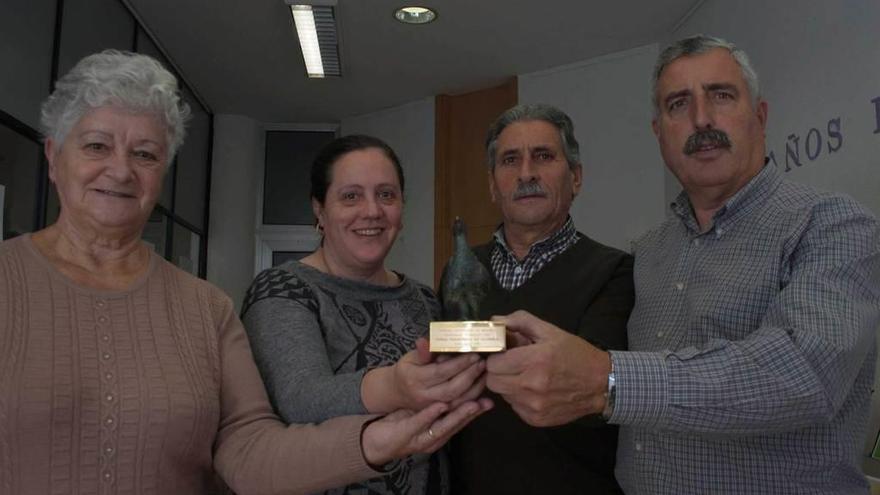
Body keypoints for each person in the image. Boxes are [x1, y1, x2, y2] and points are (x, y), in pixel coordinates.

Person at [0, 50, 490, 495]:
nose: (122, 171)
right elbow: (299, 398)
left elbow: (247, 450)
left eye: (145, 154)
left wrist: (374, 442)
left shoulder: (204, 307)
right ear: (51, 156)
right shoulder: (9, 281)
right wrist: (390, 396)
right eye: (96, 146)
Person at [486, 35, 880, 494]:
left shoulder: (831, 225)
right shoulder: (648, 251)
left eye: (721, 95)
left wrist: (606, 379)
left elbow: (804, 374)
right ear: (660, 134)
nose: (701, 119)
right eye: (678, 104)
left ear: (760, 116)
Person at [241, 134, 491, 495]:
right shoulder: (284, 289)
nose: (372, 210)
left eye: (386, 195)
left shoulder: (423, 297)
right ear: (319, 210)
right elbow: (299, 398)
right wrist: (393, 386)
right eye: (351, 196)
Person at [441, 103, 634, 494]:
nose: (526, 173)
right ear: (494, 186)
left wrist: (478, 343)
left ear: (576, 177)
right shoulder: (459, 269)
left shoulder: (616, 271)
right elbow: (447, 362)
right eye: (510, 160)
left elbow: (594, 394)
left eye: (543, 156)